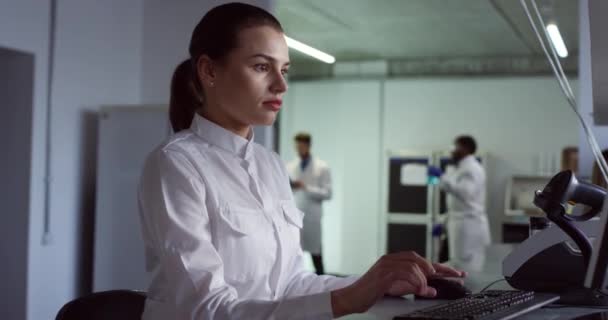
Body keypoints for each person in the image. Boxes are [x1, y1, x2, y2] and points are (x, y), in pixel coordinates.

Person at [138, 3, 464, 319]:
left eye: (284, 70)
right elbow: (205, 311)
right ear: (209, 70)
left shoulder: (271, 165)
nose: (281, 85)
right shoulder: (176, 165)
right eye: (261, 67)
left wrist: (377, 282)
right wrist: (347, 299)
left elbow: (293, 284)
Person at [428, 136, 490, 273]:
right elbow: (458, 204)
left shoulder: (472, 169)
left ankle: (468, 294)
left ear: (466, 148)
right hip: (461, 223)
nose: (452, 151)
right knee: (457, 263)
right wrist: (445, 222)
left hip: (469, 227)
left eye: (455, 147)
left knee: (466, 268)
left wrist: (441, 177)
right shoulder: (461, 168)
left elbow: (465, 193)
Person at [287, 133, 331, 275]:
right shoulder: (290, 166)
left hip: (312, 217)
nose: (299, 149)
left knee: (316, 256)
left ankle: (323, 287)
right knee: (293, 257)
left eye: (301, 146)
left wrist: (306, 187)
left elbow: (328, 193)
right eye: (296, 146)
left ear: (308, 146)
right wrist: (292, 187)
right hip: (295, 215)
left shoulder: (322, 167)